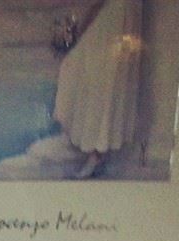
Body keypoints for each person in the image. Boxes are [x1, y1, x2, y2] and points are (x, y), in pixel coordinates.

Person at [52, 0, 143, 178]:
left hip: (119, 15)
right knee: (83, 69)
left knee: (106, 80)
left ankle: (97, 152)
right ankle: (90, 147)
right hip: (114, 13)